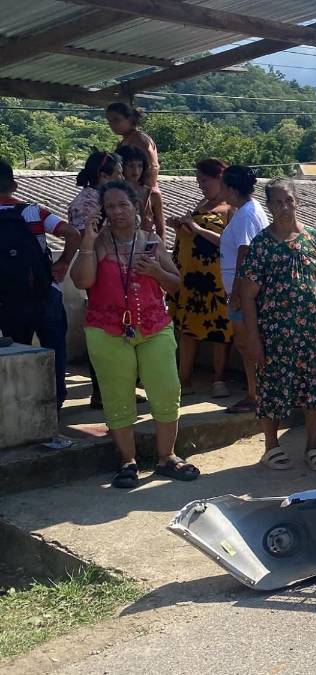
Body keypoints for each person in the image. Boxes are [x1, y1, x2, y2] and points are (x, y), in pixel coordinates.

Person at [69, 181, 197, 489]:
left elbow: (176, 284)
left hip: (153, 326)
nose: (116, 212)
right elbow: (82, 280)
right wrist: (87, 240)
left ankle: (167, 457)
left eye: (122, 205)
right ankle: (128, 461)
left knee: (166, 390)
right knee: (117, 395)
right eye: (110, 207)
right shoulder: (98, 244)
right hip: (107, 329)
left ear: (134, 207)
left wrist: (155, 272)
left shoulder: (151, 240)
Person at [241, 178, 316, 471]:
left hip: (314, 334)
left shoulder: (315, 239)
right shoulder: (261, 245)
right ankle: (271, 447)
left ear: (297, 201)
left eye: (289, 200)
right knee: (272, 388)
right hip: (275, 335)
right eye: (277, 202)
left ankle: (313, 446)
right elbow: (247, 297)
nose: (284, 207)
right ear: (270, 206)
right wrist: (253, 338)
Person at [0, 160, 80, 410]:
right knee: (54, 352)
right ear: (13, 185)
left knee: (18, 356)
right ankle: (55, 404)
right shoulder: (33, 212)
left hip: (8, 299)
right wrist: (64, 262)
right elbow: (73, 233)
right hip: (46, 293)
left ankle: (21, 407)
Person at [166, 159, 233, 399]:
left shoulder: (229, 208)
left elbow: (226, 241)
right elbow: (192, 234)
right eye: (198, 181)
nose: (201, 185)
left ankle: (218, 379)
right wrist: (180, 228)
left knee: (219, 331)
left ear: (219, 179)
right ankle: (184, 379)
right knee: (187, 329)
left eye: (205, 180)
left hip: (216, 278)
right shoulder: (202, 203)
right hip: (190, 277)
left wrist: (194, 227)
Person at [68, 149, 123, 409]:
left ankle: (111, 390)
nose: (122, 177)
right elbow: (89, 240)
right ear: (103, 175)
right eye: (118, 173)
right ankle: (103, 392)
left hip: (107, 271)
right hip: (100, 273)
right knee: (105, 331)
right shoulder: (90, 203)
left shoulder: (96, 200)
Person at [219, 166, 268, 414]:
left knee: (247, 343)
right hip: (245, 291)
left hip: (246, 293)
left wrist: (238, 292)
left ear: (231, 188)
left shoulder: (247, 214)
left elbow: (245, 251)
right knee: (245, 343)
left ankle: (255, 394)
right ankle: (256, 391)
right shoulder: (246, 211)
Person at [115, 144, 164, 241]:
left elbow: (160, 227)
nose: (136, 170)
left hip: (144, 245)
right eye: (131, 166)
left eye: (139, 166)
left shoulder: (152, 195)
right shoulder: (112, 194)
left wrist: (161, 249)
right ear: (121, 166)